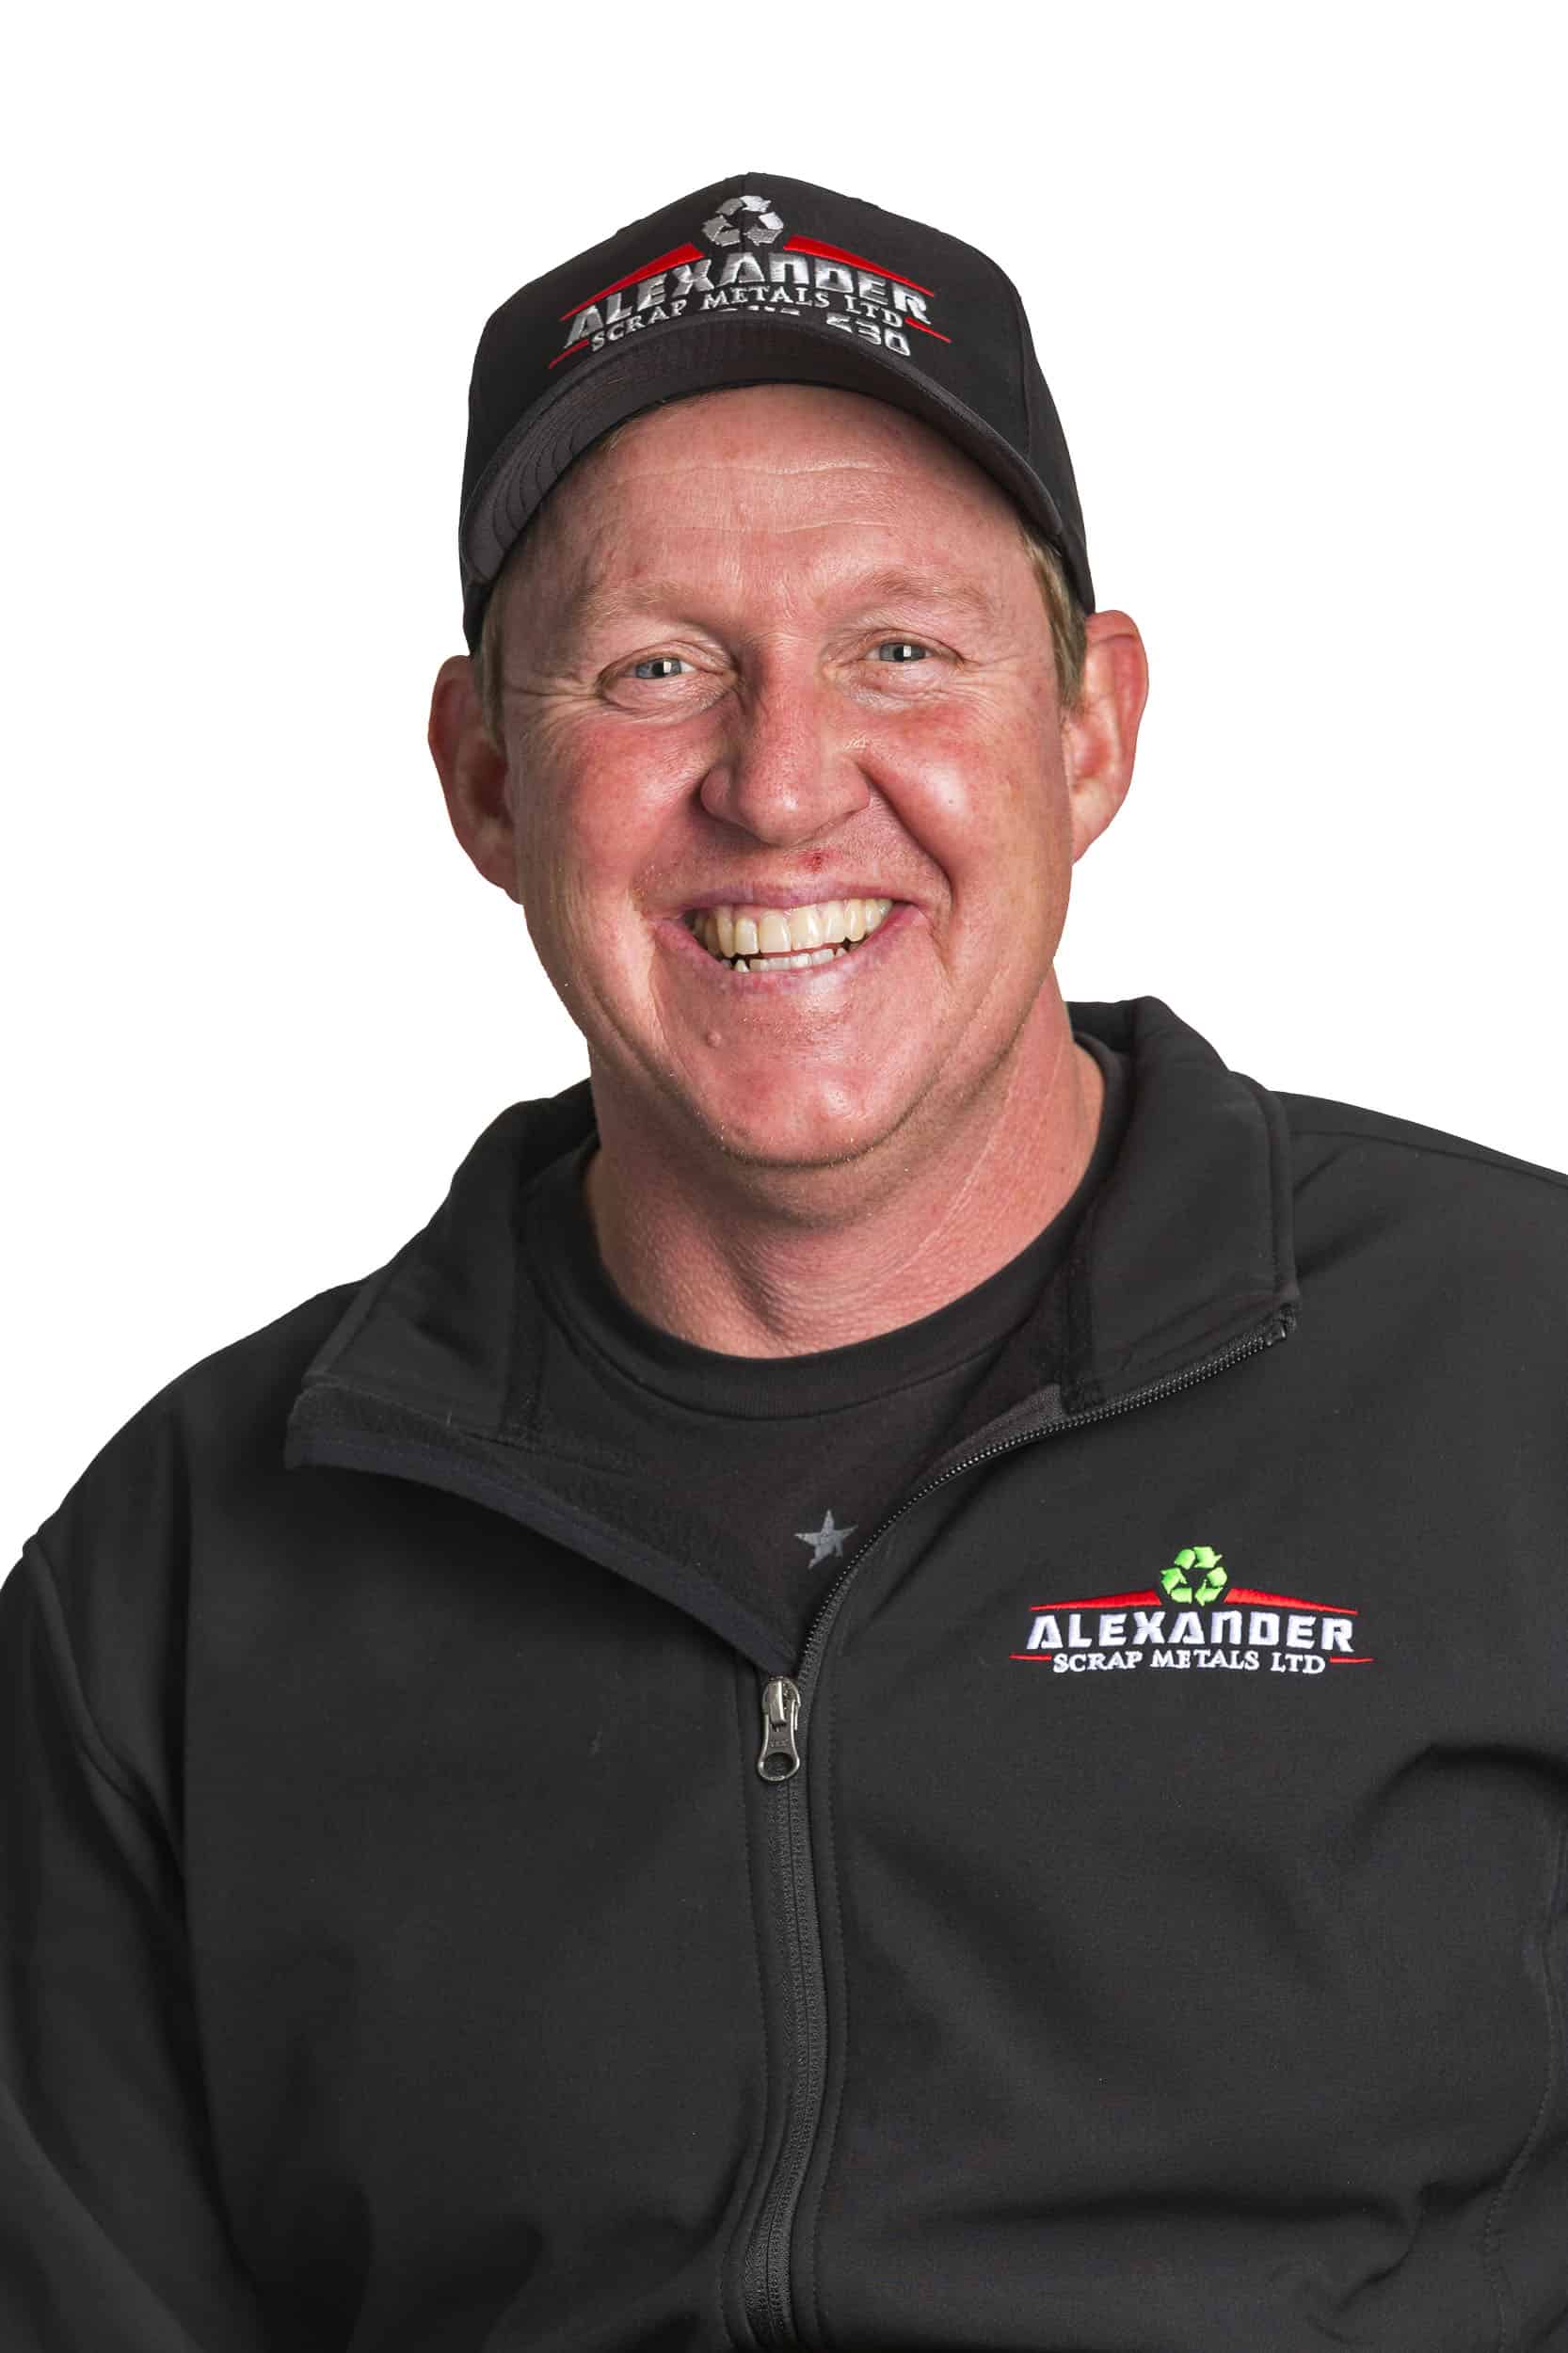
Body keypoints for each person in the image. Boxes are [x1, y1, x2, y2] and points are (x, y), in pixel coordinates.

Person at [4, 169, 1567, 2353]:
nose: (779, 781)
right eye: (655, 669)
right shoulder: (177, 1580)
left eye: (898, 650)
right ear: (483, 780)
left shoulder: (1511, 1378)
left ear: (1087, 723)